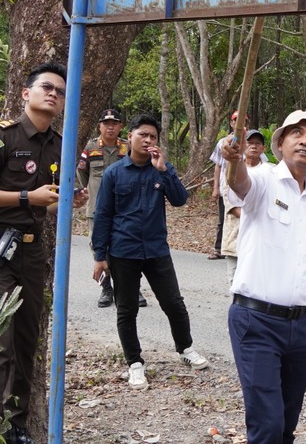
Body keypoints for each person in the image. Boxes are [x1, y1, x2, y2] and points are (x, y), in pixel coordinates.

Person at [222, 110, 306, 443]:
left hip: (301, 326)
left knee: (286, 423)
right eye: (297, 133)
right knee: (266, 425)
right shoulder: (264, 179)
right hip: (256, 321)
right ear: (281, 142)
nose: (305, 141)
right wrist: (234, 158)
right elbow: (238, 182)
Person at [0, 63, 87, 444]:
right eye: (46, 87)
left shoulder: (61, 145)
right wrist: (26, 197)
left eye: (59, 91)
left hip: (32, 256)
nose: (53, 94)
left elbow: (49, 204)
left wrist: (72, 202)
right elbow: (28, 199)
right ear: (26, 94)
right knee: (2, 340)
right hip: (1, 250)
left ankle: (15, 426)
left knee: (25, 340)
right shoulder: (5, 138)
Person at [91, 114, 208, 393]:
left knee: (174, 304)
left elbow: (180, 200)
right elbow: (103, 215)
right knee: (127, 309)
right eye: (143, 134)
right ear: (129, 137)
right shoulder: (114, 173)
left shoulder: (162, 170)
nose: (148, 140)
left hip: (156, 250)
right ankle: (134, 363)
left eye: (153, 137)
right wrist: (100, 255)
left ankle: (185, 348)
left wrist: (164, 169)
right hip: (123, 251)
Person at [77, 108, 148, 308]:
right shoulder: (90, 148)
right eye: (106, 123)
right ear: (100, 126)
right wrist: (92, 190)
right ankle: (106, 288)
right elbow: (83, 173)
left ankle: (131, 288)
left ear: (120, 127)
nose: (110, 127)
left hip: (125, 208)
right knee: (99, 248)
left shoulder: (128, 148)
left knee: (130, 247)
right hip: (97, 208)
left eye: (114, 123)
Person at [219, 129, 273, 283]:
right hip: (235, 236)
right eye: (250, 143)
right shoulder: (231, 169)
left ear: (264, 148)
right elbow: (229, 200)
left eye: (258, 144)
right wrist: (252, 215)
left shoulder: (271, 172)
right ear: (243, 146)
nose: (254, 146)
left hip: (262, 239)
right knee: (235, 282)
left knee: (259, 281)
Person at [210, 110, 242, 260]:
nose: (239, 123)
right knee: (223, 219)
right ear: (231, 123)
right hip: (225, 187)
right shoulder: (222, 142)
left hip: (242, 190)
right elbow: (217, 166)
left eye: (243, 121)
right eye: (236, 120)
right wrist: (215, 188)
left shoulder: (249, 143)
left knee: (241, 218)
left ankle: (238, 248)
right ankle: (219, 249)